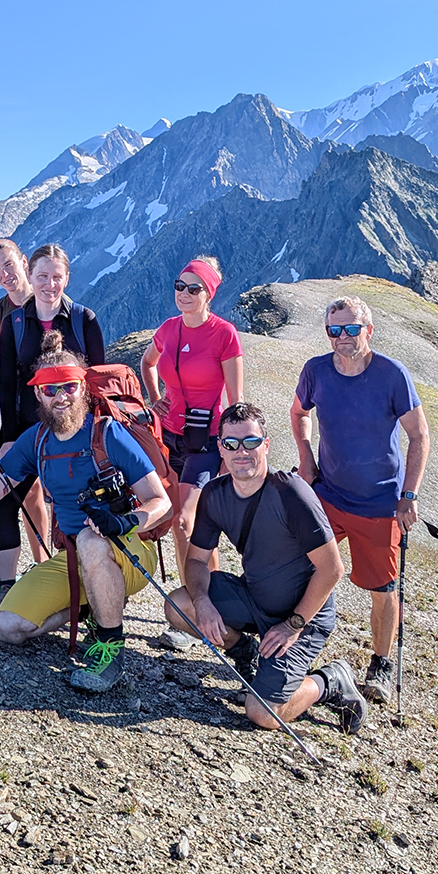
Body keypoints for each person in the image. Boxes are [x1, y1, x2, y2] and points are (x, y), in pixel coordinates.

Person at [0, 333, 171, 692]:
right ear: (37, 394)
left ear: (83, 388)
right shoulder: (37, 440)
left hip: (130, 550)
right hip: (77, 557)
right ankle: (95, 606)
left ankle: (109, 649)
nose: (61, 397)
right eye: (50, 390)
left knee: (93, 541)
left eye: (69, 387)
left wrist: (126, 521)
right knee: (8, 627)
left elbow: (161, 501)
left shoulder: (108, 433)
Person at [163, 402, 367, 734]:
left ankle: (329, 681)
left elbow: (332, 569)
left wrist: (293, 625)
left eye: (251, 442)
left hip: (303, 616)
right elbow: (197, 560)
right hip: (255, 597)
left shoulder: (291, 493)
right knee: (179, 605)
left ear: (266, 445)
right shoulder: (215, 495)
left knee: (262, 712)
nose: (241, 452)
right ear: (221, 449)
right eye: (231, 444)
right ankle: (248, 652)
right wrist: (202, 602)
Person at [290, 295, 430, 703]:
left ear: (369, 330)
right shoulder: (316, 370)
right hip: (329, 494)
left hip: (380, 503)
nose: (343, 337)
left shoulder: (392, 375)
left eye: (352, 329)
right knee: (301, 566)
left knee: (383, 588)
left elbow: (419, 436)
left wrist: (409, 495)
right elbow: (299, 412)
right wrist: (306, 458)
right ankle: (293, 642)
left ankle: (381, 665)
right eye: (335, 330)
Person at [0, 243, 105, 612]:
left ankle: (85, 588)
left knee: (78, 510)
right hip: (27, 429)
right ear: (31, 275)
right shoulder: (14, 322)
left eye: (57, 277)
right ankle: (7, 588)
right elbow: (7, 383)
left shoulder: (84, 320)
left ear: (67, 278)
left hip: (77, 431)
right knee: (6, 501)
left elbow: (97, 384)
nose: (49, 284)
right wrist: (8, 437)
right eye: (42, 276)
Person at [139, 256, 243, 649]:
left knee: (186, 521)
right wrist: (154, 399)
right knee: (186, 526)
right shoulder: (167, 329)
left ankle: (206, 610)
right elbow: (148, 363)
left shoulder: (224, 334)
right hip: (169, 436)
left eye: (194, 288)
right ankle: (197, 611)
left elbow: (236, 400)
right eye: (179, 286)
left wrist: (233, 450)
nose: (184, 294)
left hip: (206, 441)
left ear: (209, 293)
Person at [0, 238, 52, 581]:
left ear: (24, 261)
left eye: (8, 265)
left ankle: (45, 565)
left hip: (52, 413)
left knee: (42, 494)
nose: (4, 275)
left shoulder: (49, 298)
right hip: (18, 412)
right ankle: (36, 570)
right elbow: (2, 369)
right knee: (22, 493)